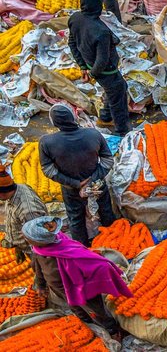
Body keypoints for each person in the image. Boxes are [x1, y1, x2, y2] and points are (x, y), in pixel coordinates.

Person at [25, 216, 131, 336]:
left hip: (82, 287)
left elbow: (91, 261)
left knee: (97, 310)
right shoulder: (37, 250)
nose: (26, 240)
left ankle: (113, 330)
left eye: (28, 238)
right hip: (61, 289)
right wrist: (41, 285)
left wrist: (105, 270)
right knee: (75, 308)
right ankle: (87, 324)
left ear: (40, 240)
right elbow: (38, 269)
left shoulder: (67, 248)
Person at [38, 104, 116, 246]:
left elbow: (48, 169)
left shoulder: (46, 142)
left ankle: (83, 249)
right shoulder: (93, 134)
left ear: (54, 123)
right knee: (106, 211)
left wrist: (74, 183)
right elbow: (107, 160)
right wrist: (92, 179)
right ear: (73, 117)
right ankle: (115, 241)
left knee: (76, 218)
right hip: (97, 185)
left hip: (70, 189)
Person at [69, 0, 131, 136]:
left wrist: (83, 66)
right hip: (105, 70)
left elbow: (72, 43)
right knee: (118, 97)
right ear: (98, 6)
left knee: (119, 88)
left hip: (91, 64)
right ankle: (122, 130)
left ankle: (105, 116)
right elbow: (102, 59)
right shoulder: (100, 31)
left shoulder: (75, 18)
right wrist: (92, 73)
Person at [0, 166, 47, 257]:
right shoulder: (18, 188)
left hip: (33, 253)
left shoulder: (28, 211)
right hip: (22, 247)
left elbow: (39, 240)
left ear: (1, 193)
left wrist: (37, 260)